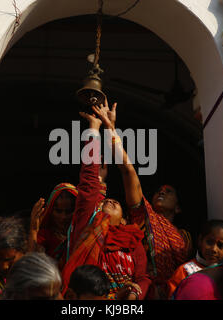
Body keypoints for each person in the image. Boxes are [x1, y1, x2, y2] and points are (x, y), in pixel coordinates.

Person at [90, 100, 192, 299]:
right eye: (158, 191)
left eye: (168, 191)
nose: (161, 193)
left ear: (178, 208)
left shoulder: (184, 238)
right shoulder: (142, 218)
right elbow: (128, 172)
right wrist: (111, 129)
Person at [61, 106, 151, 300]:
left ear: (125, 221)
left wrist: (134, 295)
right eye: (105, 202)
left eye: (116, 203)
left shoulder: (133, 241)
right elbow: (89, 182)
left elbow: (142, 278)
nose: (109, 200)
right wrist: (94, 128)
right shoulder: (88, 227)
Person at [166, 219, 223, 297]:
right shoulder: (185, 271)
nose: (214, 249)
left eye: (220, 245)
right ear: (200, 241)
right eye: (209, 242)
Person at [28, 183, 78, 269]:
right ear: (50, 210)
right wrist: (33, 229)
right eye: (58, 211)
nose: (63, 217)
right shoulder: (44, 236)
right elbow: (31, 265)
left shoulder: (82, 235)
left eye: (68, 212)